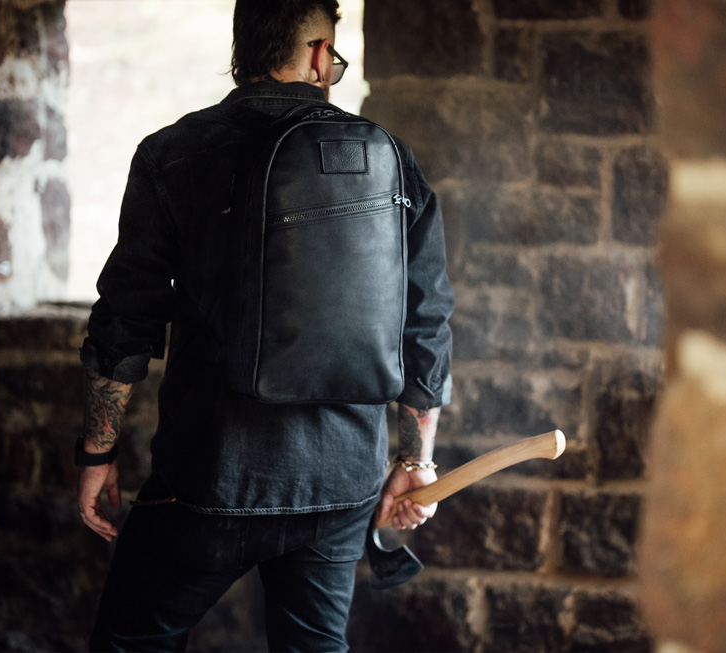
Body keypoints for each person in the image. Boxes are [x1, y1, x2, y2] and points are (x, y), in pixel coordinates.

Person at [77, 1, 453, 650]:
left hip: (209, 478)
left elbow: (127, 318)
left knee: (131, 640)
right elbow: (426, 322)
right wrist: (414, 459)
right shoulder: (391, 158)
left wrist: (96, 452)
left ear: (244, 47)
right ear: (316, 54)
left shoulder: (171, 154)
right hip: (341, 487)